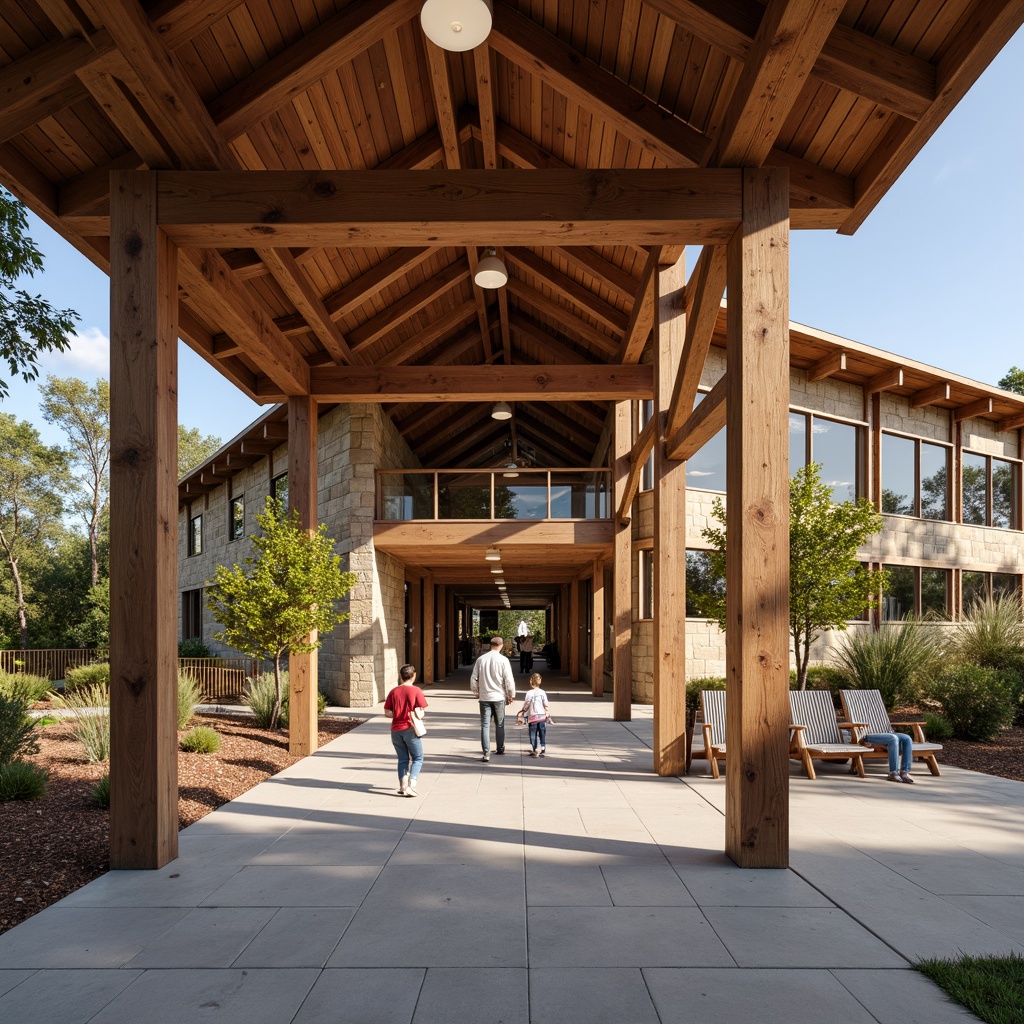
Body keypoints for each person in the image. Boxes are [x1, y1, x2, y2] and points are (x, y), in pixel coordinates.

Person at [383, 664, 427, 796]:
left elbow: (387, 712)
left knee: (402, 759)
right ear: (413, 675)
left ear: (401, 676)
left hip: (395, 729)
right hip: (410, 728)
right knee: (418, 758)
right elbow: (421, 712)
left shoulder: (394, 691)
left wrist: (398, 714)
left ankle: (402, 786)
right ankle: (411, 785)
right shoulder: (416, 691)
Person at [470, 635, 516, 762]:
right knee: (500, 723)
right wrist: (510, 694)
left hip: (484, 696)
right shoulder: (503, 660)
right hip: (498, 697)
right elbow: (508, 679)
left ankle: (486, 752)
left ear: (491, 645)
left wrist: (476, 692)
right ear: (501, 645)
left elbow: (474, 678)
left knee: (485, 725)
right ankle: (500, 747)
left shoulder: (481, 659)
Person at [521, 672, 550, 757]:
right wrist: (547, 713)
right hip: (541, 716)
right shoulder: (543, 692)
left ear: (531, 681)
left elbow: (527, 703)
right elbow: (546, 704)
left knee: (532, 733)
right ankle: (543, 746)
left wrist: (523, 711)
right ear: (540, 681)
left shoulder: (529, 693)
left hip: (532, 716)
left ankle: (534, 748)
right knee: (542, 732)